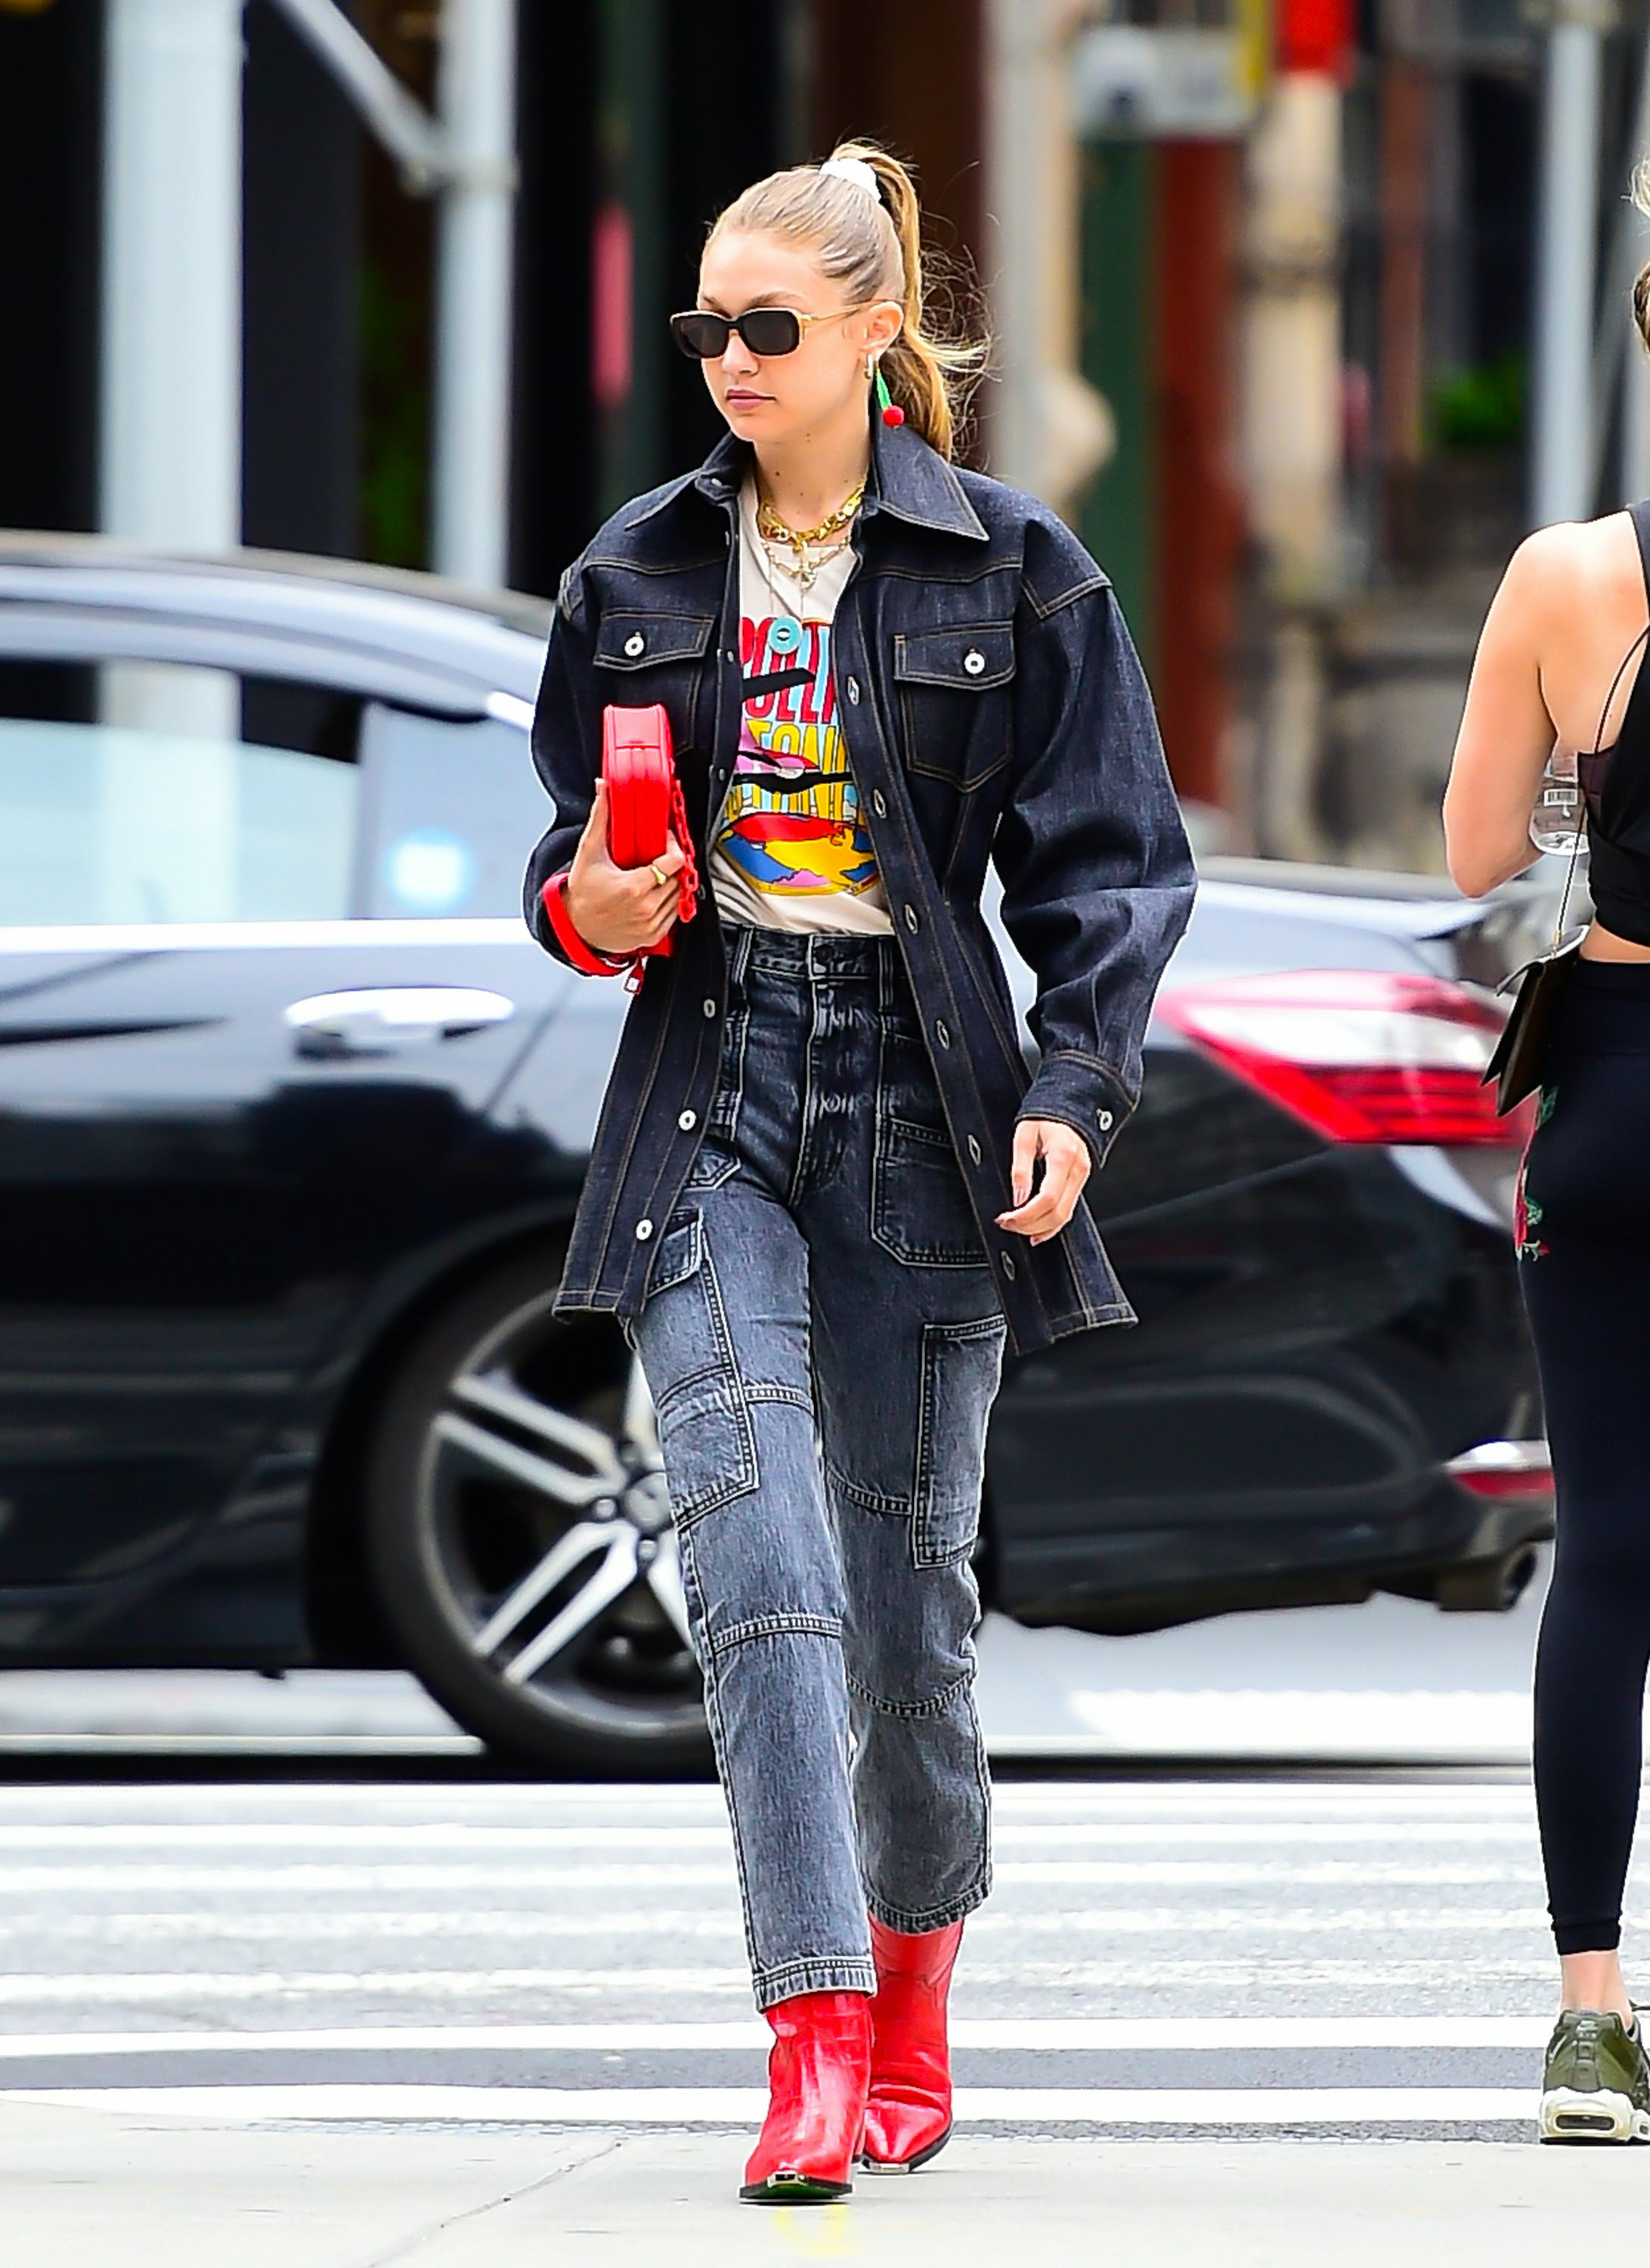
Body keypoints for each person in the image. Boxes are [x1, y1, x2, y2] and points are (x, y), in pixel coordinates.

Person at [523, 138, 1196, 2202]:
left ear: (874, 329)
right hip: (710, 1087)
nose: (727, 360)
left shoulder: (1014, 568)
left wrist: (1073, 1089)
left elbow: (1115, 871)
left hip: (922, 1102)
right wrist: (601, 905)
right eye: (704, 329)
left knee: (911, 1612)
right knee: (759, 1566)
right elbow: (571, 869)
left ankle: (913, 1994)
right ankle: (806, 2037)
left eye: (768, 327)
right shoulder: (633, 575)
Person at [1442, 159, 1650, 2148]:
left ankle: (1591, 2012)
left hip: (1611, 1109)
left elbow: (1474, 857)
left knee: (1609, 1561)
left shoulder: (1566, 578)